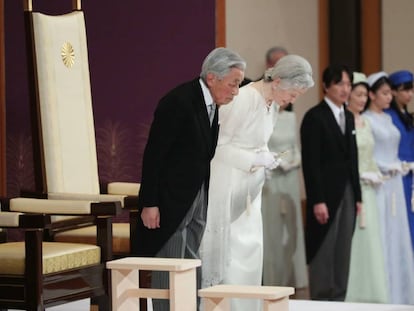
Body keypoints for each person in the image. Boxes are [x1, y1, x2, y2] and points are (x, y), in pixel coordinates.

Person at [134, 47, 246, 311]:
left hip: (196, 196)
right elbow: (154, 155)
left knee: (192, 259)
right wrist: (149, 202)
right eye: (233, 84)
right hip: (170, 200)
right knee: (170, 263)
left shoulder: (212, 104)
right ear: (212, 78)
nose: (236, 91)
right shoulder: (179, 101)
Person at [201, 54, 314, 311]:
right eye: (293, 93)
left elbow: (259, 142)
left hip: (251, 188)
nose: (293, 100)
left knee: (251, 249)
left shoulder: (271, 105)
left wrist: (266, 158)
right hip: (228, 183)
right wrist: (254, 158)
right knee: (232, 253)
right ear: (278, 81)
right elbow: (217, 147)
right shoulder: (244, 99)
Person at [300, 64, 362, 301]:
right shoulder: (315, 117)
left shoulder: (348, 116)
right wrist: (317, 200)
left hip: (347, 191)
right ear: (326, 86)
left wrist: (358, 196)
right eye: (339, 84)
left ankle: (340, 298)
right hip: (325, 194)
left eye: (348, 84)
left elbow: (353, 158)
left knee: (343, 248)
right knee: (324, 247)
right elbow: (311, 164)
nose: (345, 89)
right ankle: (322, 299)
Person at [363, 71, 414, 305]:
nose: (388, 97)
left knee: (399, 233)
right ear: (372, 95)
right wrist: (387, 166)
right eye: (384, 93)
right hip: (382, 181)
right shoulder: (368, 120)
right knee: (384, 232)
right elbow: (368, 153)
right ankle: (383, 289)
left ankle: (401, 287)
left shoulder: (388, 118)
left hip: (396, 179)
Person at [344, 72, 388, 303]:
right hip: (353, 187)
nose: (362, 100)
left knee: (372, 241)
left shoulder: (367, 121)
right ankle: (354, 292)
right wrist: (361, 174)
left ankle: (374, 292)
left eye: (364, 95)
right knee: (355, 241)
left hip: (369, 188)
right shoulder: (345, 121)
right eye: (357, 95)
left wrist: (376, 174)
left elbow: (369, 155)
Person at [261, 100, 308, 289]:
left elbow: (295, 146)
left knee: (293, 226)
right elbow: (261, 146)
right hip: (272, 175)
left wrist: (295, 161)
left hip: (290, 177)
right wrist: (278, 162)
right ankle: (273, 278)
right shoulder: (264, 117)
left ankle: (294, 277)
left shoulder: (291, 117)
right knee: (272, 228)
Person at [385, 70, 414, 250]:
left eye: (411, 90)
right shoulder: (388, 117)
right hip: (397, 174)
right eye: (405, 90)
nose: (409, 94)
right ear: (394, 91)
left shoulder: (409, 118)